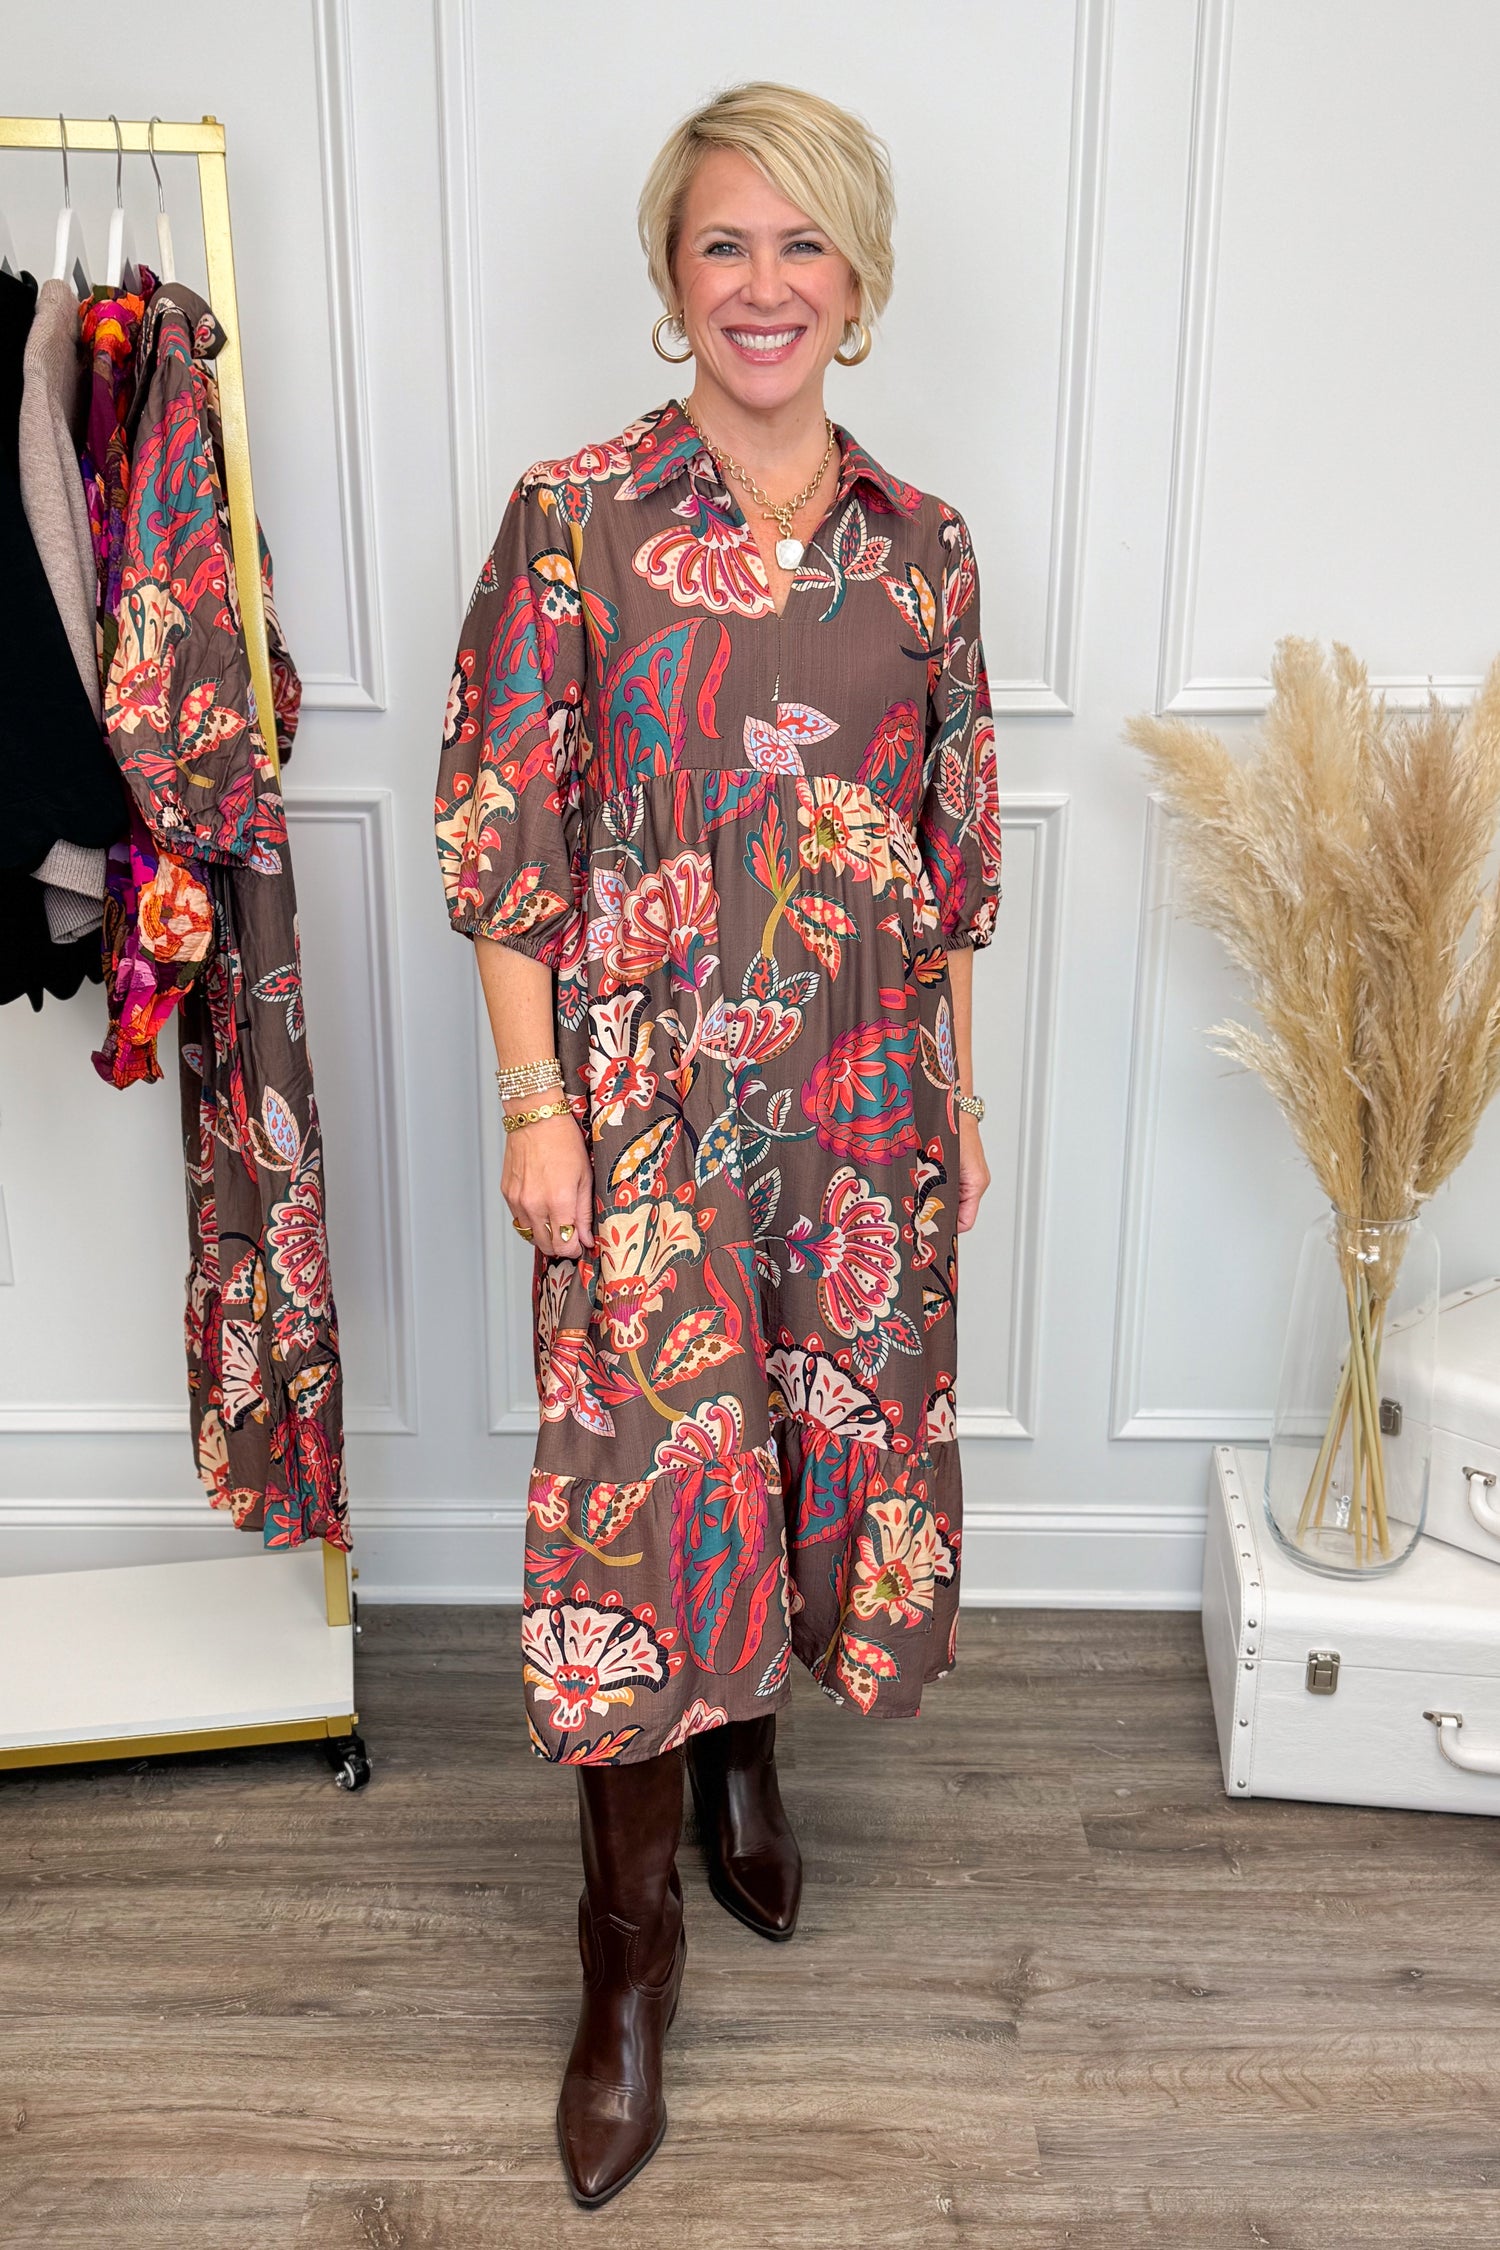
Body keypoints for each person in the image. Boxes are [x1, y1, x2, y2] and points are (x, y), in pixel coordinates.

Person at [434, 79, 1001, 2209]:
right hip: (650, 1111)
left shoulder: (925, 549)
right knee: (636, 1510)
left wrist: (963, 1129)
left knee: (797, 1463)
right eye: (722, 247)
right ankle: (629, 1954)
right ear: (673, 280)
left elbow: (953, 890)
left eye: (802, 246)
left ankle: (752, 1745)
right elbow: (505, 845)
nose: (763, 288)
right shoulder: (571, 518)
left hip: (862, 1115)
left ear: (858, 280)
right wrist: (535, 1106)